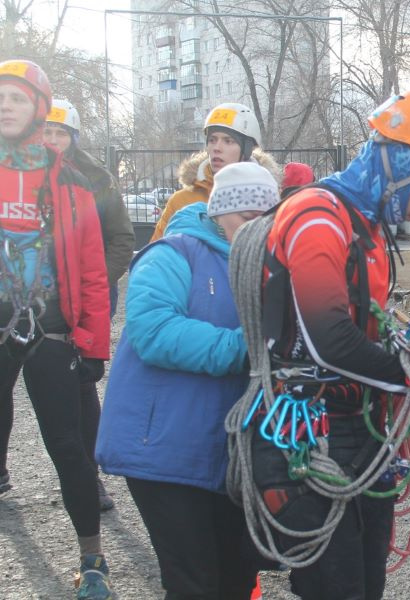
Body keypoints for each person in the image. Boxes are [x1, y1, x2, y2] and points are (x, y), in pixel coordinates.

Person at [259, 91, 410, 599]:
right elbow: (329, 340)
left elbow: (370, 325)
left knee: (367, 581)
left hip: (361, 429)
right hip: (312, 432)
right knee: (338, 588)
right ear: (400, 162)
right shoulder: (316, 216)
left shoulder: (366, 229)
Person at [95, 162, 281, 598]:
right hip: (165, 452)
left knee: (235, 579)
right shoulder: (172, 253)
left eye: (266, 218)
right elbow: (153, 330)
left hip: (229, 455)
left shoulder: (266, 267)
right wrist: (248, 348)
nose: (257, 228)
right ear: (220, 211)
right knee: (192, 582)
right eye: (246, 217)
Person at [0, 59, 113, 599]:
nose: (5, 105)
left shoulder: (70, 181)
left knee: (67, 446)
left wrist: (93, 343)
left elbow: (92, 268)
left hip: (50, 330)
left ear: (39, 109)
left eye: (16, 98)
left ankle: (93, 558)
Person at [38, 98, 133, 510]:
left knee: (80, 383)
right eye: (48, 131)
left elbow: (121, 240)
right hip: (34, 302)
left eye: (61, 133)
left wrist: (92, 283)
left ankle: (89, 478)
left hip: (86, 298)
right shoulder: (23, 175)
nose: (54, 139)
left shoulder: (96, 179)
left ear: (73, 137)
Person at [151, 102, 280, 241]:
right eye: (212, 140)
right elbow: (156, 252)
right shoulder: (181, 201)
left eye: (228, 141)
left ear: (247, 149)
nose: (217, 148)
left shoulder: (268, 197)